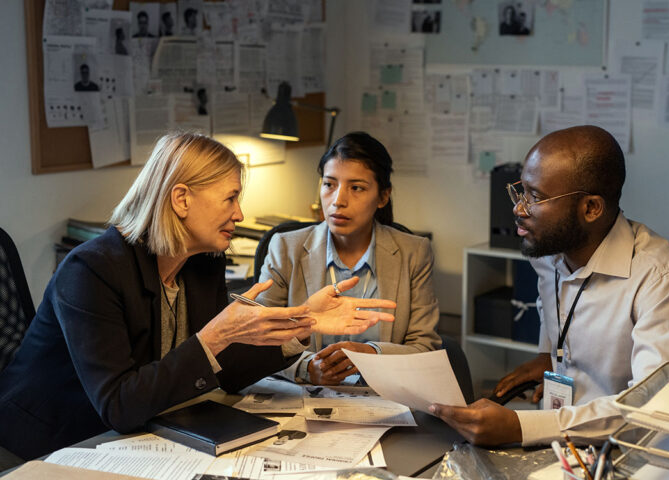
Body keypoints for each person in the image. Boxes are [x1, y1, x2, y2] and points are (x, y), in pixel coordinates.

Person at [0, 133, 396, 460]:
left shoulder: (201, 262)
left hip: (138, 438)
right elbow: (119, 404)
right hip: (51, 445)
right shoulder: (91, 271)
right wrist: (215, 335)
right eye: (230, 198)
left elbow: (230, 368)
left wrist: (302, 321)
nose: (239, 214)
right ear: (181, 199)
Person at [431, 125, 669, 446]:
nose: (519, 208)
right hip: (558, 438)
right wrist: (547, 354)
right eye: (521, 191)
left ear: (591, 208)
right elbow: (553, 303)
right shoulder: (550, 254)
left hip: (622, 451)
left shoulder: (663, 280)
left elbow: (653, 411)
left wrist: (522, 427)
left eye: (535, 197)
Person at [256, 132, 442, 385]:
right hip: (305, 395)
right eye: (329, 184)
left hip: (383, 395)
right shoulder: (286, 248)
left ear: (383, 196)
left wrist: (371, 354)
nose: (338, 201)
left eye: (356, 188)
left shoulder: (414, 252)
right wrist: (306, 368)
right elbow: (258, 340)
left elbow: (425, 349)